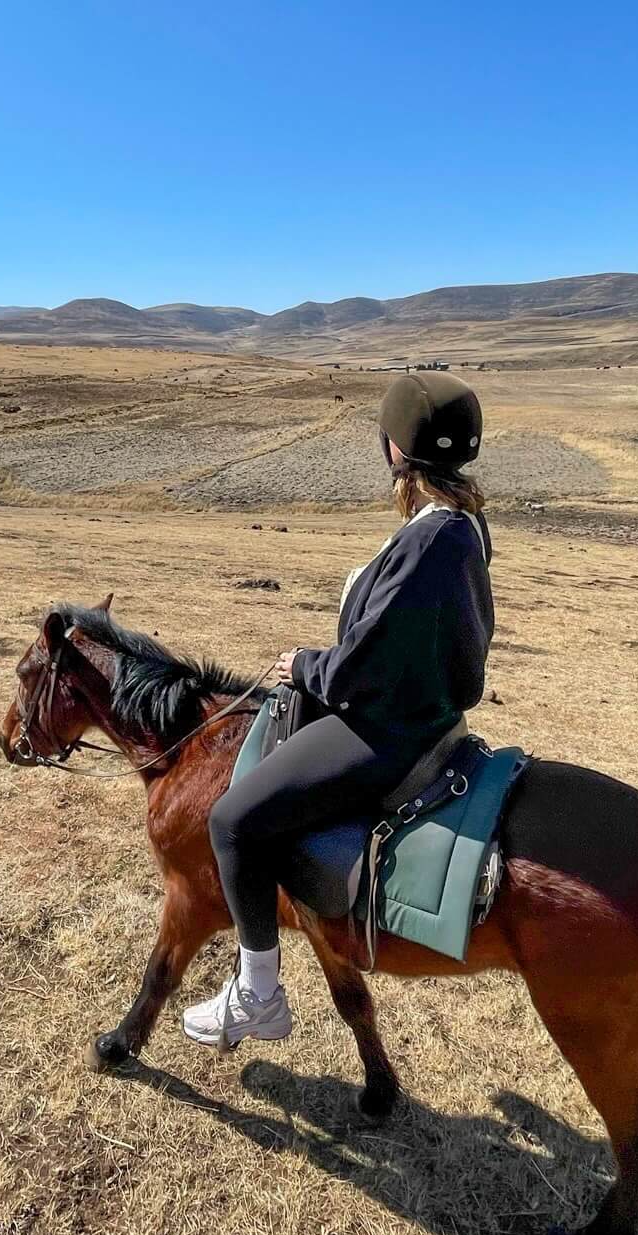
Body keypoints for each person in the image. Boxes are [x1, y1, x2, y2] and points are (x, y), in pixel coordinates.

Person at [183, 372, 495, 1047]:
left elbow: (368, 666)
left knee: (233, 819)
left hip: (388, 728)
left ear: (395, 450)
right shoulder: (463, 522)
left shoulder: (428, 539)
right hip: (430, 716)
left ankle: (257, 994)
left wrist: (304, 665)